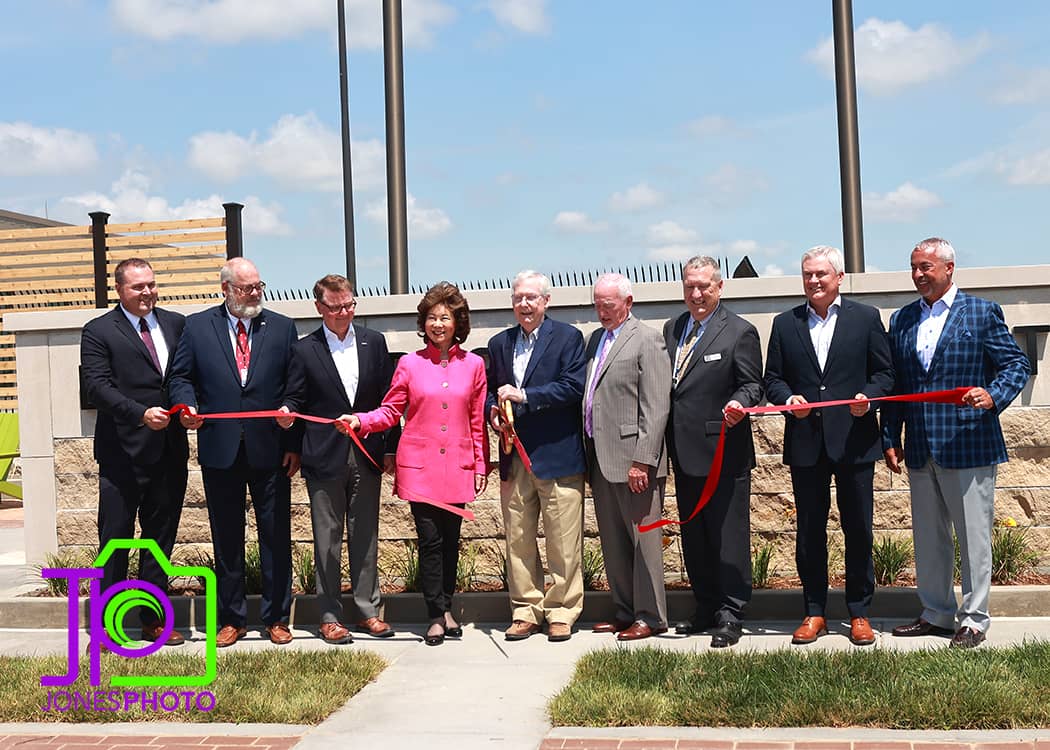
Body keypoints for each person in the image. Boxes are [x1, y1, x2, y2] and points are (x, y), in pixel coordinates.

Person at [882, 237, 1030, 648]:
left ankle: (975, 619)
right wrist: (890, 434)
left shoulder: (981, 313)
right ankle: (937, 613)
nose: (918, 275)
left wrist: (993, 395)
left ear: (949, 268)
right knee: (929, 537)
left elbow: (1017, 364)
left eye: (925, 267)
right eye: (914, 267)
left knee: (973, 536)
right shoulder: (903, 319)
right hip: (920, 445)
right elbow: (900, 385)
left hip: (969, 441)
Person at [344, 282, 489, 646]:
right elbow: (391, 411)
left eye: (445, 317)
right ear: (423, 323)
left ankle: (447, 607)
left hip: (457, 465)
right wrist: (362, 421)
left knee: (451, 540)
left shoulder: (474, 365)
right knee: (429, 540)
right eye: (431, 318)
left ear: (458, 322)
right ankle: (435, 616)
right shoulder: (409, 363)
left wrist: (481, 464)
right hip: (419, 467)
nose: (438, 324)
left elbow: (476, 419)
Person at [764, 245, 894, 646]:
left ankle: (859, 612)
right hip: (806, 443)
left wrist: (868, 398)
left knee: (858, 529)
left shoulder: (866, 318)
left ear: (838, 277)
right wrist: (788, 401)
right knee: (809, 532)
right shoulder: (785, 324)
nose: (814, 281)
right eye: (807, 275)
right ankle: (814, 611)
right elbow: (773, 379)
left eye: (821, 274)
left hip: (855, 442)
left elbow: (886, 374)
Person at [168, 257, 300, 648]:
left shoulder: (281, 327)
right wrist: (185, 406)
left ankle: (276, 618)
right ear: (224, 289)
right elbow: (180, 377)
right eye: (246, 288)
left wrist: (292, 429)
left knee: (275, 535)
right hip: (220, 448)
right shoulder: (196, 327)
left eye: (259, 286)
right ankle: (232, 619)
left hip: (270, 449)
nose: (255, 293)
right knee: (227, 538)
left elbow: (295, 385)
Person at [279, 275, 400, 644]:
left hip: (367, 453)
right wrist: (289, 424)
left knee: (365, 535)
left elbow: (389, 398)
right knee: (326, 539)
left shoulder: (374, 342)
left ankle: (368, 611)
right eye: (335, 307)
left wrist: (391, 447)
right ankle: (329, 616)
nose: (344, 313)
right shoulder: (303, 350)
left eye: (349, 305)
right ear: (319, 307)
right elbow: (295, 399)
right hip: (322, 456)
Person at [80, 258, 188, 645]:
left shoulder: (176, 324)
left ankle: (152, 620)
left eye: (151, 285)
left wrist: (189, 409)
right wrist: (139, 414)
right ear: (119, 289)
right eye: (138, 287)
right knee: (116, 541)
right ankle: (108, 626)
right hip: (122, 454)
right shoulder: (98, 331)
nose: (147, 293)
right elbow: (97, 386)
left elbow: (184, 377)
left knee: (159, 541)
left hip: (170, 452)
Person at [664, 256, 763, 648]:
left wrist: (740, 404)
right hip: (683, 452)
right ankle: (705, 606)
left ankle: (730, 613)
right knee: (695, 537)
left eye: (704, 285)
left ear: (719, 287)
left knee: (727, 536)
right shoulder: (673, 329)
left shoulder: (740, 331)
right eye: (690, 286)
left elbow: (753, 385)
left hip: (724, 449)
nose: (696, 293)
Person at [486, 270, 587, 643]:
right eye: (518, 298)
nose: (524, 304)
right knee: (519, 537)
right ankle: (525, 609)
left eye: (531, 298)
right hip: (514, 457)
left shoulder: (568, 338)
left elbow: (573, 387)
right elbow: (488, 393)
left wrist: (525, 397)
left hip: (556, 454)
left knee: (563, 540)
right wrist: (493, 414)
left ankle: (561, 611)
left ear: (546, 301)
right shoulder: (499, 343)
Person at [583, 273, 671, 641]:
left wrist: (643, 460)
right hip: (601, 458)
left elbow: (656, 406)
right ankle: (624, 610)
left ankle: (650, 616)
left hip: (635, 461)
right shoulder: (596, 341)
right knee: (614, 540)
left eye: (609, 304)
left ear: (628, 303)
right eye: (598, 304)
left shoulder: (647, 339)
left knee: (643, 542)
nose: (602, 311)